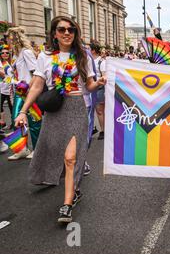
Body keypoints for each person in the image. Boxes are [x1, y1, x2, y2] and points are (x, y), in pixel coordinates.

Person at [14, 16, 106, 223]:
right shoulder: (45, 57)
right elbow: (37, 85)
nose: (67, 33)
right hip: (55, 110)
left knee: (71, 157)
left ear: (75, 33)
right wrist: (23, 111)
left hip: (77, 109)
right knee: (57, 153)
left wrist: (98, 82)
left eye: (71, 30)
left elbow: (89, 86)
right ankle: (74, 187)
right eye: (62, 29)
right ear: (54, 33)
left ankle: (67, 204)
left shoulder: (83, 56)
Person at [6, 27, 40, 160]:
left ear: (15, 38)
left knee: (34, 120)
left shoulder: (26, 52)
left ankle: (37, 149)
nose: (7, 40)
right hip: (19, 91)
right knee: (17, 118)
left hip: (27, 91)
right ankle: (21, 149)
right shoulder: (15, 55)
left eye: (9, 37)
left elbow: (36, 73)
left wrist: (28, 88)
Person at [91, 41, 105, 140]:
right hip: (92, 88)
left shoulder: (102, 62)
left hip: (100, 88)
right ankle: (96, 128)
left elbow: (105, 76)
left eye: (89, 49)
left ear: (93, 50)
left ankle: (103, 130)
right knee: (95, 110)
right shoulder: (89, 60)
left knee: (100, 111)